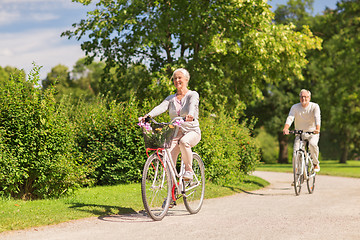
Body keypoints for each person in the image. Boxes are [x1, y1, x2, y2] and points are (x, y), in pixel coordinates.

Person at [141, 68, 201, 180]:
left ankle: (189, 171)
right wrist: (148, 116)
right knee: (168, 161)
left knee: (184, 142)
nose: (177, 80)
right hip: (175, 133)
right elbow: (160, 107)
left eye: (179, 78)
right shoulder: (171, 99)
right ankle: (172, 195)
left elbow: (193, 105)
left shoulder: (192, 95)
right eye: (174, 78)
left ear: (186, 79)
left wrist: (191, 115)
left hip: (191, 131)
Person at [282, 89, 321, 172]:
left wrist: (317, 129)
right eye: (302, 97)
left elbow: (317, 117)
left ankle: (315, 163)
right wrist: (286, 128)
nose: (303, 99)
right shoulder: (295, 107)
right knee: (295, 154)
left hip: (312, 133)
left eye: (305, 97)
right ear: (299, 98)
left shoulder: (314, 106)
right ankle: (297, 176)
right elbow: (290, 117)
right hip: (299, 134)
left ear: (309, 98)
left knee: (313, 144)